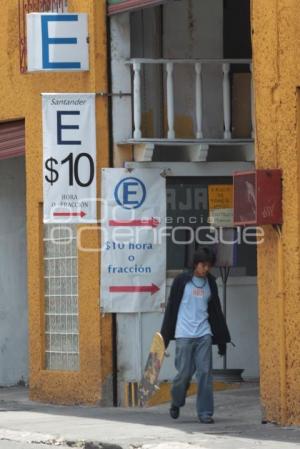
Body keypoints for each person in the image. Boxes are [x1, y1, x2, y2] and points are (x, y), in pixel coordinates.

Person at [160, 247, 231, 424]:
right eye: (203, 265)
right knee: (184, 374)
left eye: (209, 266)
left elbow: (216, 312)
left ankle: (205, 413)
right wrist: (164, 338)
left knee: (205, 374)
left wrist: (221, 340)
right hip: (183, 334)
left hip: (203, 334)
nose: (206, 269)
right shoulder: (182, 281)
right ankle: (176, 401)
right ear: (195, 264)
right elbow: (171, 310)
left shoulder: (211, 283)